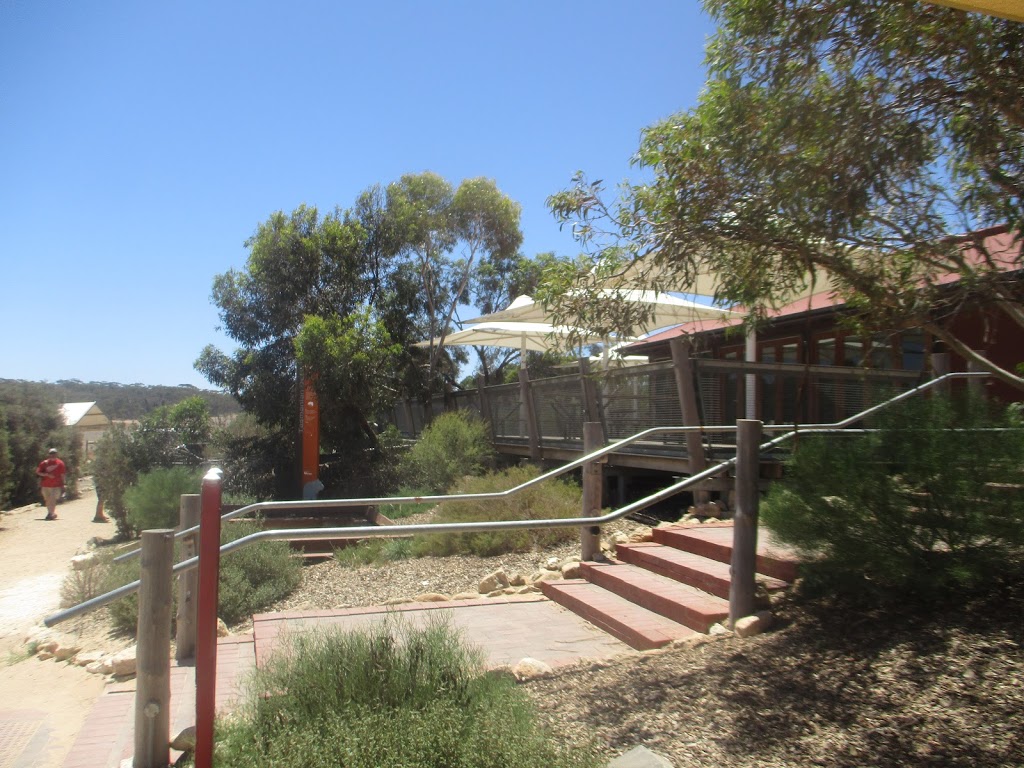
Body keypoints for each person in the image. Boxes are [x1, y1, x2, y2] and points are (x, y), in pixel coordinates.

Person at [36, 447, 66, 520]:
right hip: (45, 485)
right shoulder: (44, 463)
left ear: (56, 454)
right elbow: (38, 472)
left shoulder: (60, 463)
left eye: (54, 454)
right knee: (47, 499)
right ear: (49, 455)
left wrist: (63, 484)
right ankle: (51, 513)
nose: (52, 455)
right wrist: (47, 475)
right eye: (51, 454)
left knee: (53, 499)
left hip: (56, 485)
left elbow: (62, 474)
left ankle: (51, 513)